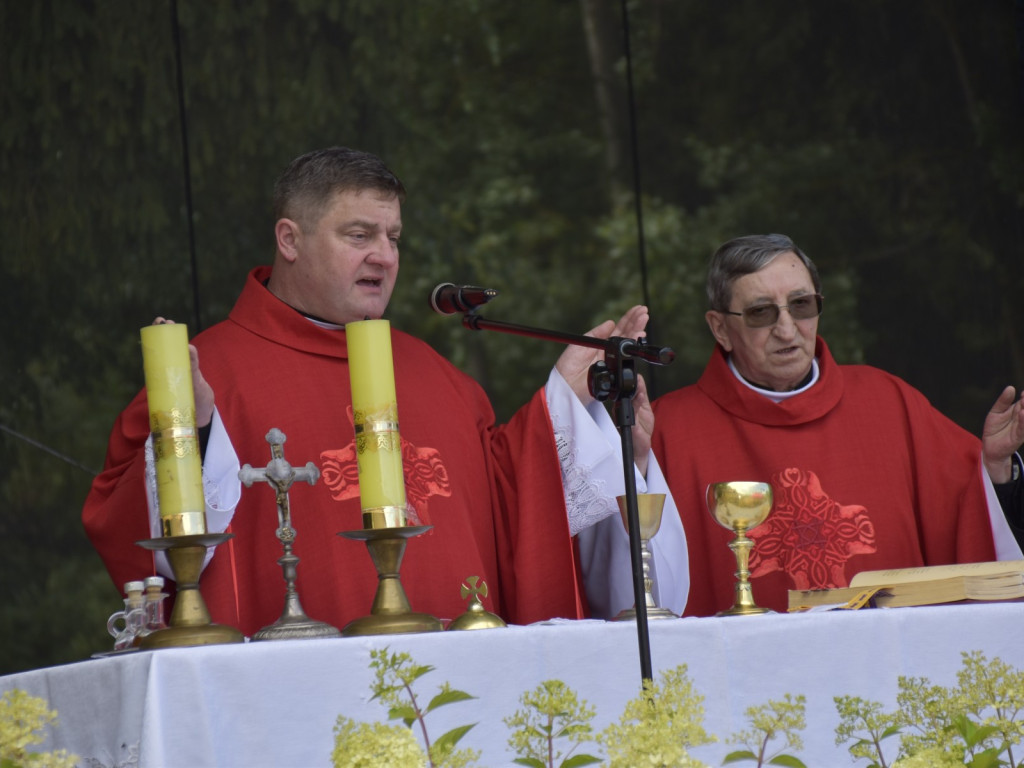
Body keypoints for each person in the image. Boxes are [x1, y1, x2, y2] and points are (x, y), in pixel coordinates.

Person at [82, 146, 680, 636]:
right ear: (289, 240)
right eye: (359, 234)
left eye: (393, 237)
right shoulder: (208, 374)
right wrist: (200, 430)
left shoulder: (440, 378)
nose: (384, 256)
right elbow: (131, 533)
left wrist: (570, 409)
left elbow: (506, 507)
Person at [642, 233, 1024, 617]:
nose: (787, 330)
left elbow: (968, 517)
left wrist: (992, 468)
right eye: (761, 312)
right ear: (720, 328)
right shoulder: (667, 431)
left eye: (801, 305)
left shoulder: (890, 401)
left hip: (893, 665)